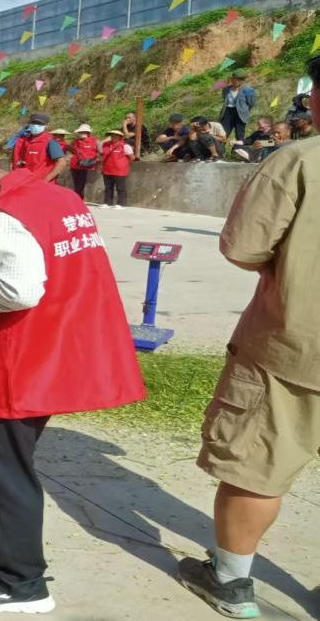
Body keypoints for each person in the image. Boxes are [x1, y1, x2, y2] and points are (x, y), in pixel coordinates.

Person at [0, 140, 144, 614]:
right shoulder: (56, 195)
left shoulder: (10, 213)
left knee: (1, 471)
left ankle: (19, 582)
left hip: (19, 360)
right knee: (2, 460)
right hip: (57, 345)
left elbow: (15, 291)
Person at [177, 135, 319, 619]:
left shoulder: (300, 160)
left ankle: (230, 580)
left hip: (296, 345)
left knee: (258, 463)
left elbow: (244, 247)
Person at [10, 113, 69, 183]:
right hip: (21, 181)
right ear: (29, 124)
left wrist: (45, 180)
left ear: (47, 126)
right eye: (33, 123)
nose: (35, 126)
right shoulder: (21, 140)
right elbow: (13, 160)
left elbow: (61, 162)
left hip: (40, 184)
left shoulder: (50, 141)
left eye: (39, 124)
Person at [220, 71, 257, 143]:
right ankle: (220, 150)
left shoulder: (248, 90)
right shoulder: (226, 89)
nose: (238, 81)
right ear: (232, 79)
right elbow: (225, 99)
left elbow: (251, 103)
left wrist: (244, 110)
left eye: (241, 79)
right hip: (228, 112)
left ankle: (238, 150)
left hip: (240, 113)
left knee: (239, 134)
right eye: (236, 79)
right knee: (223, 133)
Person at [100, 129, 133, 209]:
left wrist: (124, 165)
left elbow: (132, 157)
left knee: (120, 187)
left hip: (120, 170)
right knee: (108, 187)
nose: (113, 137)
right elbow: (101, 153)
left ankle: (121, 203)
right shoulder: (106, 145)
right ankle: (108, 202)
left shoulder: (125, 146)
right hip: (107, 169)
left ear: (120, 137)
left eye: (116, 135)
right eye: (112, 135)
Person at [68, 124, 99, 201]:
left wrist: (95, 159)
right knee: (76, 183)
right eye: (81, 132)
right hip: (75, 164)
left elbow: (100, 151)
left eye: (84, 132)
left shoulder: (95, 141)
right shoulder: (75, 141)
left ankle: (78, 199)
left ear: (88, 133)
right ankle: (77, 198)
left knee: (81, 183)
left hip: (87, 165)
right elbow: (70, 149)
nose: (82, 133)